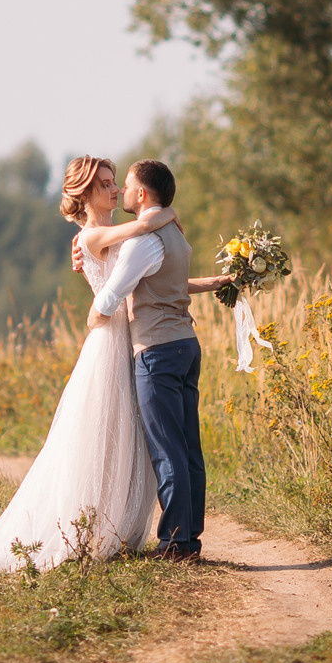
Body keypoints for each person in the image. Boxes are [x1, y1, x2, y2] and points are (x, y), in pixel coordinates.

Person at [0, 157, 164, 575]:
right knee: (101, 434)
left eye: (115, 183)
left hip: (126, 336)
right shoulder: (93, 235)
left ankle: (115, 525)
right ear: (86, 193)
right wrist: (162, 214)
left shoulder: (99, 236)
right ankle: (89, 528)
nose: (114, 191)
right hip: (108, 343)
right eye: (106, 185)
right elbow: (140, 228)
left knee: (126, 433)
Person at [77, 159, 220, 561]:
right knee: (189, 448)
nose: (119, 190)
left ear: (142, 194)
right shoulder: (176, 235)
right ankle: (189, 538)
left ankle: (175, 543)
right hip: (186, 345)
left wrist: (95, 315)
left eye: (123, 184)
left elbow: (112, 294)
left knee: (167, 449)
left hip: (156, 350)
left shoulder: (143, 241)